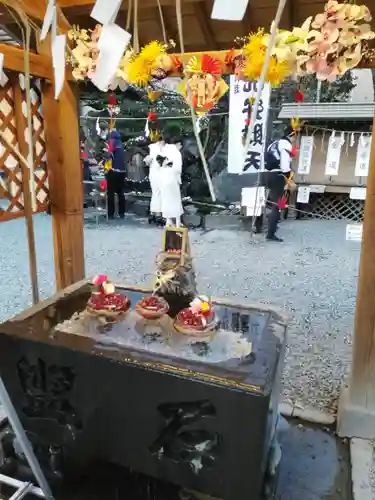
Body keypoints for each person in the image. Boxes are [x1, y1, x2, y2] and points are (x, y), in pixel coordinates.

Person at [263, 126, 296, 242]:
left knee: (278, 202)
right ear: (290, 136)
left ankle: (275, 222)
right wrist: (288, 178)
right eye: (294, 137)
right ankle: (271, 233)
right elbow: (285, 164)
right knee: (277, 204)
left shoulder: (274, 143)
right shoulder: (286, 144)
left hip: (268, 175)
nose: (294, 140)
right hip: (278, 175)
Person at [157, 128, 183, 227]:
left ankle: (168, 221)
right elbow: (178, 169)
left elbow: (158, 163)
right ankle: (177, 221)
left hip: (163, 177)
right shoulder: (176, 153)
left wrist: (165, 165)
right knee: (175, 200)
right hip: (172, 178)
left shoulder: (163, 151)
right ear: (178, 144)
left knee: (166, 200)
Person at [105, 130, 126, 219]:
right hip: (122, 171)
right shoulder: (121, 143)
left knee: (110, 193)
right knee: (120, 192)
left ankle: (110, 214)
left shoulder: (111, 143)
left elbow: (107, 156)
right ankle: (122, 213)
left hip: (113, 171)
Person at [144, 140, 163, 224]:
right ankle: (158, 214)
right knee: (159, 194)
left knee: (155, 194)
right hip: (159, 173)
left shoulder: (152, 148)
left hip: (153, 174)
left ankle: (154, 213)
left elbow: (148, 162)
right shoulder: (162, 149)